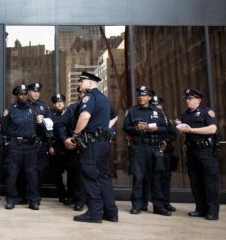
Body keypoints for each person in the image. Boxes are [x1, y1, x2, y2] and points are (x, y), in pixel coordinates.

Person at [72, 71, 118, 223]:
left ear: (90, 83)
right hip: (103, 144)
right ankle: (111, 212)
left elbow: (84, 116)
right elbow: (114, 117)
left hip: (92, 144)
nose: (79, 84)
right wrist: (104, 129)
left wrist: (76, 133)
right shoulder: (104, 98)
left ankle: (95, 213)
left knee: (90, 176)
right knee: (103, 177)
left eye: (81, 81)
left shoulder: (90, 96)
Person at [123, 86, 170, 215]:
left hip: (154, 147)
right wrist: (136, 128)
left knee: (156, 178)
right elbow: (125, 127)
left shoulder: (157, 111)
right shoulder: (132, 111)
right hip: (138, 147)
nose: (141, 97)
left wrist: (156, 129)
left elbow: (165, 129)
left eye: (144, 95)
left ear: (149, 97)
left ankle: (158, 206)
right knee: (138, 177)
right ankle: (137, 205)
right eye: (140, 95)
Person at [175, 88, 219, 220]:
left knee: (210, 183)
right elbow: (185, 134)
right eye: (187, 99)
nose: (188, 101)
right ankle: (200, 208)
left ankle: (212, 211)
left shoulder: (207, 112)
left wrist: (191, 130)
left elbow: (212, 129)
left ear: (198, 100)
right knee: (195, 182)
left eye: (190, 98)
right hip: (192, 151)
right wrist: (180, 127)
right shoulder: (185, 114)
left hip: (206, 151)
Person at [1, 84, 40, 210]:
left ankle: (33, 200)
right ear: (16, 95)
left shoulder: (32, 109)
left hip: (30, 146)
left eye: (25, 94)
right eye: (21, 94)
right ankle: (11, 199)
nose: (23, 96)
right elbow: (4, 129)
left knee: (31, 174)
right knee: (12, 173)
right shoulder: (10, 110)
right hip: (15, 146)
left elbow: (35, 127)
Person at [151, 96, 177, 213]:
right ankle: (158, 204)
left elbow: (173, 134)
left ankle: (166, 202)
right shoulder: (150, 118)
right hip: (154, 152)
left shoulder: (167, 120)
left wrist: (165, 141)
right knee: (156, 179)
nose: (157, 107)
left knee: (166, 178)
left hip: (166, 153)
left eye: (159, 105)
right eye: (155, 105)